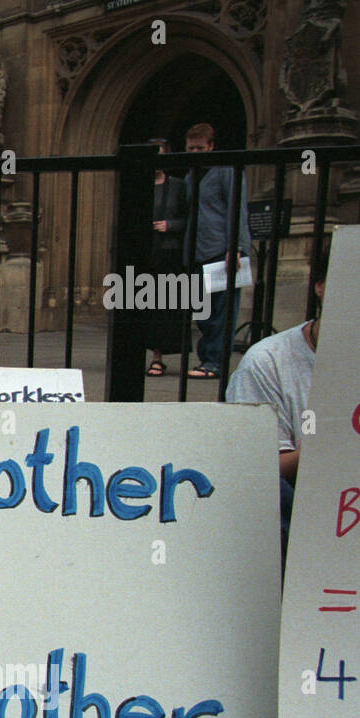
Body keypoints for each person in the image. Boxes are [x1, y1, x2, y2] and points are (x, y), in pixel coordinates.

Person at [226, 265, 325, 556]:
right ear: (320, 286)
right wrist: (326, 451)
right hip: (305, 514)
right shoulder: (269, 362)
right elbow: (254, 470)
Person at [184, 122, 250, 380]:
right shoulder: (191, 176)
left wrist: (236, 248)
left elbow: (237, 209)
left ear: (211, 146)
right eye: (191, 148)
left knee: (222, 311)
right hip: (198, 251)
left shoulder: (227, 171)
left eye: (200, 147)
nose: (195, 152)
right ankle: (207, 359)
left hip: (221, 250)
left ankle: (214, 363)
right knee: (203, 312)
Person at [144, 138, 188, 376]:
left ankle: (158, 357)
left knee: (163, 306)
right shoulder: (139, 185)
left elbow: (189, 218)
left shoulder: (178, 186)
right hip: (144, 253)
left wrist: (170, 225)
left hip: (169, 253)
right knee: (140, 306)